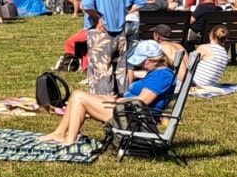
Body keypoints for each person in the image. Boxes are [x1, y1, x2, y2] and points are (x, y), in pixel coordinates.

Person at [38, 43, 179, 147]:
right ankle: (61, 134)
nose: (140, 65)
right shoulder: (156, 72)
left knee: (79, 97)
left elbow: (143, 100)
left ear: (154, 60)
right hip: (128, 110)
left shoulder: (162, 75)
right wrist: (113, 98)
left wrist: (117, 100)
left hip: (133, 116)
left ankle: (69, 139)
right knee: (77, 95)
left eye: (142, 62)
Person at [81, 0, 144, 97]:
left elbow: (87, 6)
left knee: (101, 68)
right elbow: (141, 1)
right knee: (120, 67)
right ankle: (121, 95)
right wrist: (126, 11)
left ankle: (102, 99)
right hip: (120, 32)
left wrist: (97, 18)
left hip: (101, 32)